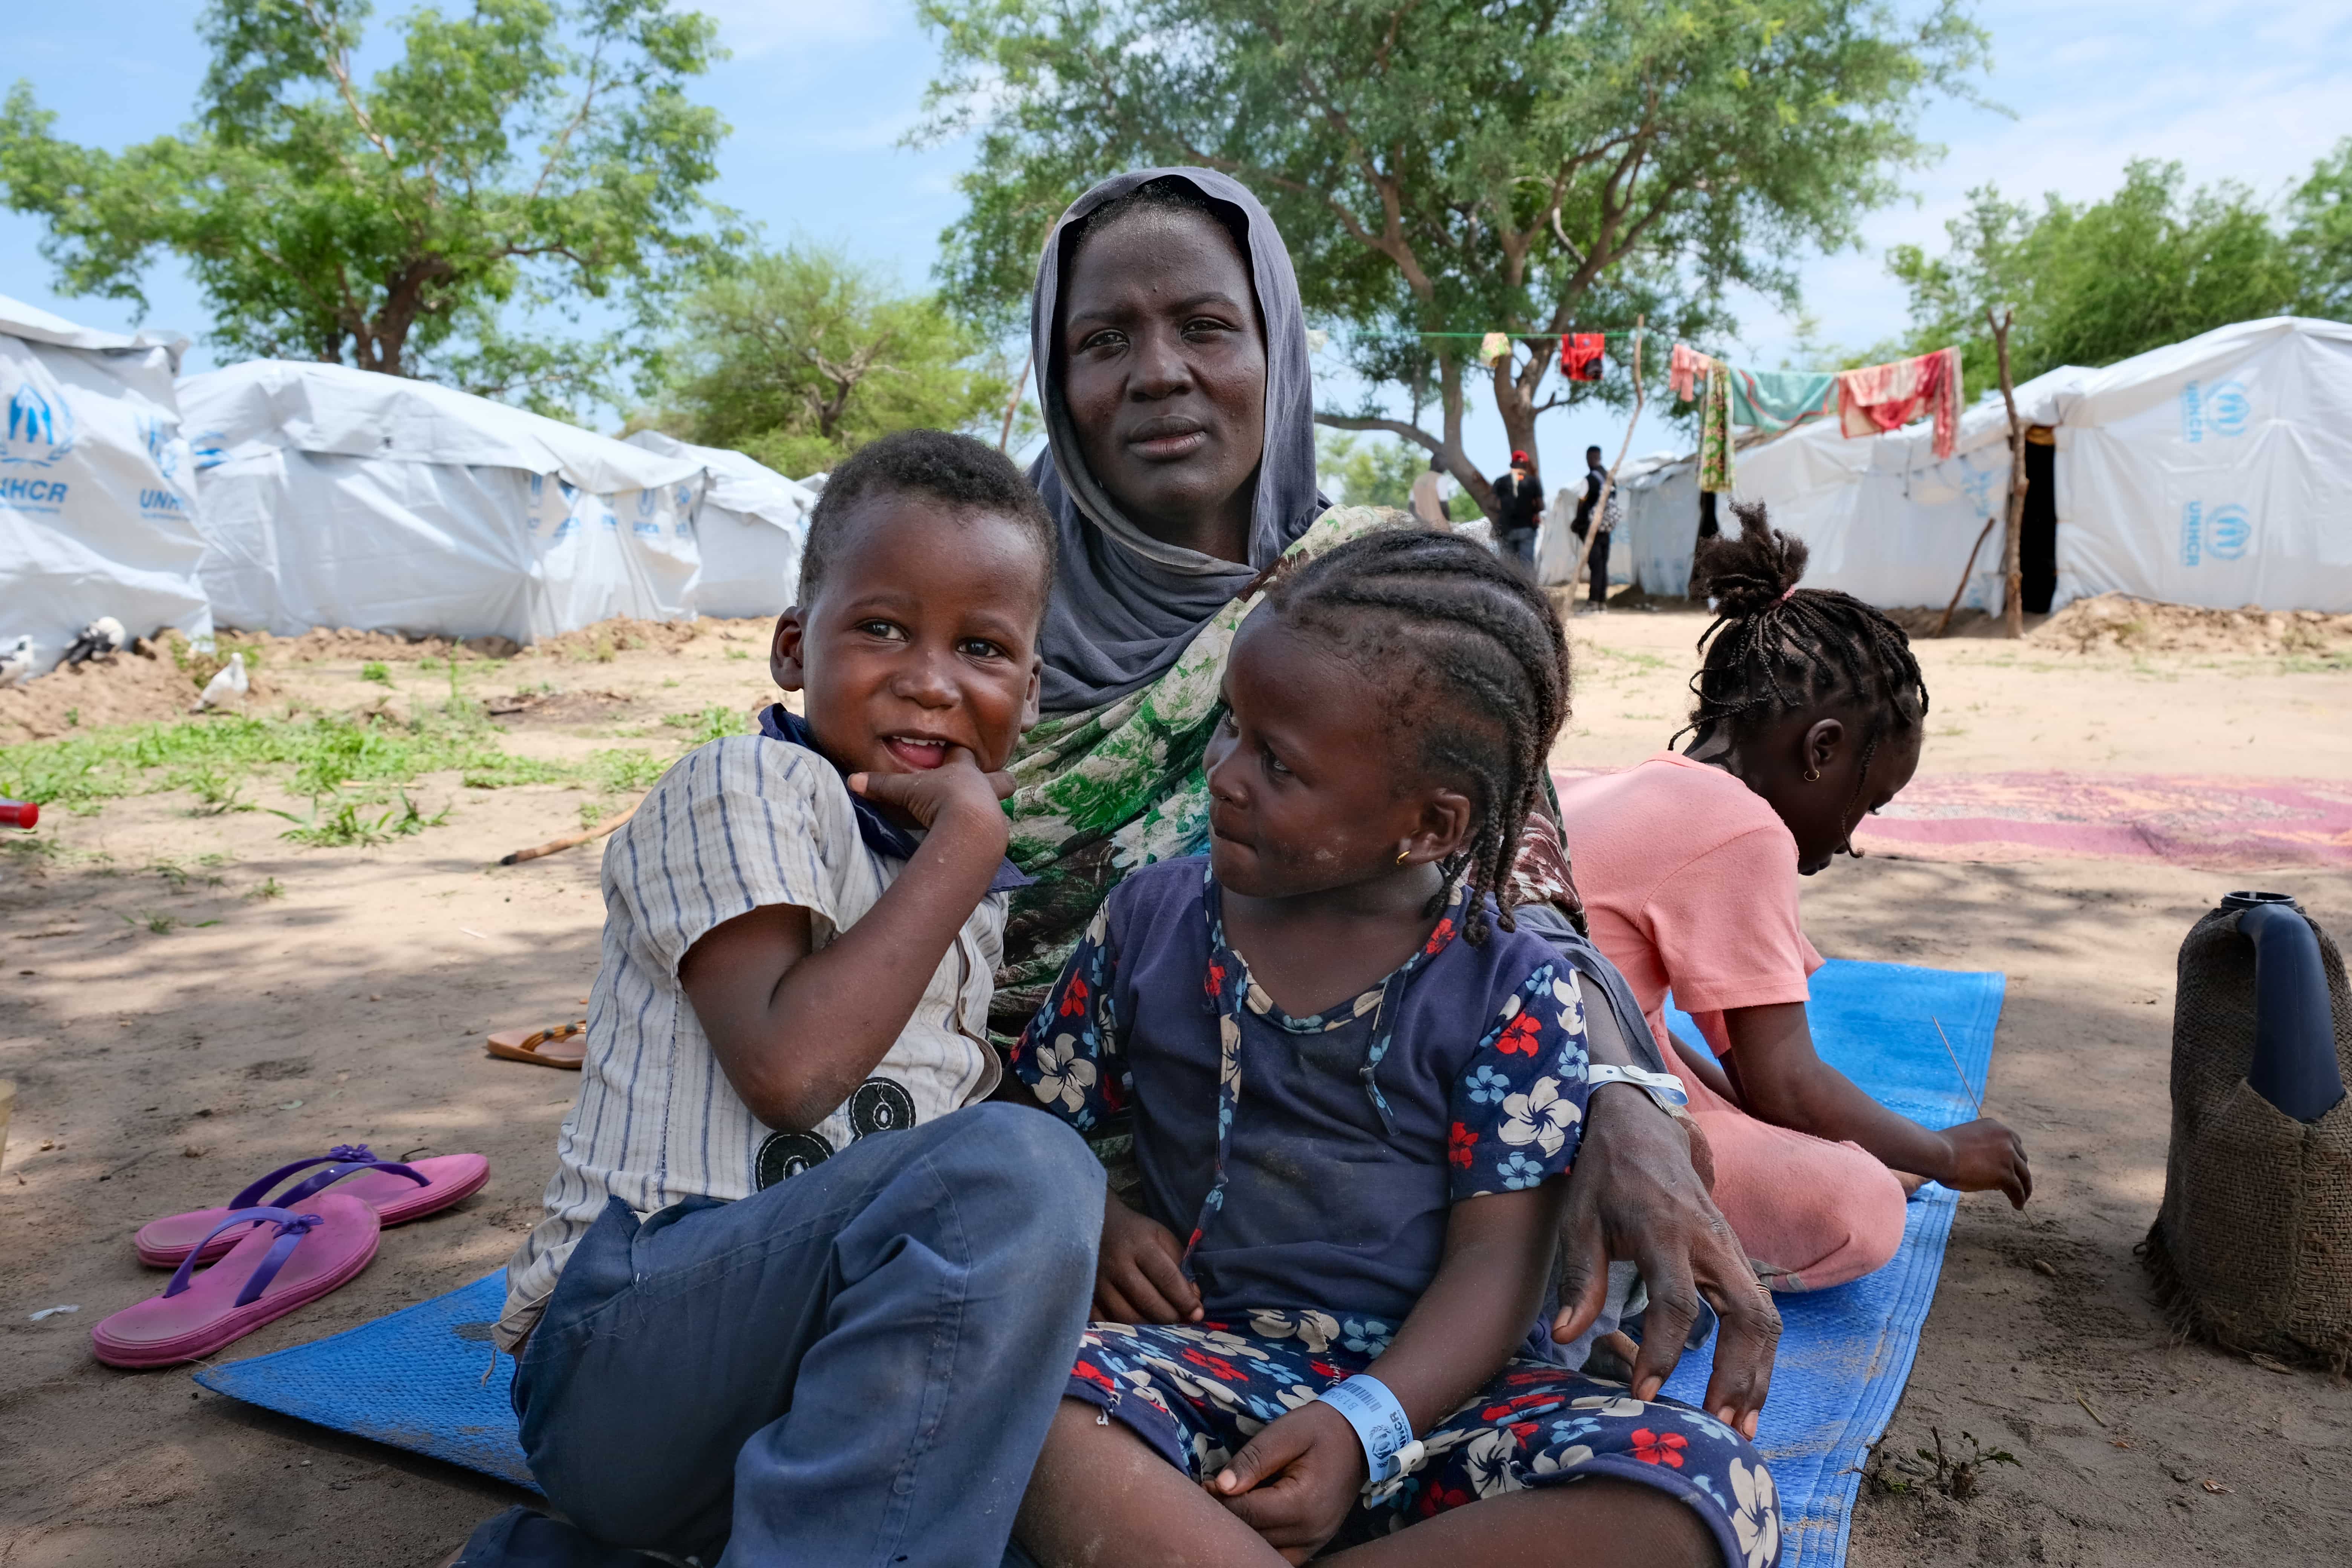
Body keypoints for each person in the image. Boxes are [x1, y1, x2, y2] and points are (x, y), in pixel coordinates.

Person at [1001, 166, 1781, 1438]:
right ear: (1056, 375)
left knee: (1703, 1213)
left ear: (1278, 348)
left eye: (1205, 326)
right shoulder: (971, 612)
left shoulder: (1379, 599)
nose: (1155, 372)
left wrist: (1627, 1101)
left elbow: (1517, 898)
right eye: (1103, 340)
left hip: (1409, 1171)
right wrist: (1054, 1194)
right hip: (1065, 1157)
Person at [1009, 529, 1778, 1568]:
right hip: (1197, 1375)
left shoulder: (1510, 987)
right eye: (1231, 730)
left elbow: (1497, 1266)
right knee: (1020, 1398)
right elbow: (1024, 1130)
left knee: (1703, 1488)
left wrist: (1361, 1430)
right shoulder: (1146, 925)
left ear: (1429, 826)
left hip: (1440, 1408)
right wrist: (1094, 1212)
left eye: (1277, 764)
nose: (1224, 778)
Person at [453, 431, 1105, 1568]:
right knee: (1028, 1166)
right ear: (795, 647)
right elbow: (792, 1069)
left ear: (1031, 691)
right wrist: (968, 843)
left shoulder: (944, 871)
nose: (931, 677)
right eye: (884, 627)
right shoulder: (743, 783)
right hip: (628, 1359)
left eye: (984, 647)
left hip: (799, 1406)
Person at [1558, 504, 2032, 1295]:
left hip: (1501, 1077)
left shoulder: (1635, 785)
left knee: (1680, 1063)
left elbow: (1741, 1068)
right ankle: (1615, 1251)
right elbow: (1785, 1082)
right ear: (1822, 750)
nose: (1852, 838)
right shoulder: (1741, 828)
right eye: (1865, 803)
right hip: (1562, 1123)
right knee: (1860, 1206)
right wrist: (1940, 1156)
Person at [1570, 444, 1619, 612]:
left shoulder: (1589, 479)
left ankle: (1593, 603)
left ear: (1590, 458)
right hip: (1607, 528)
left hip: (1592, 528)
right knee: (1603, 564)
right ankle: (1601, 603)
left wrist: (1577, 522)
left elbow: (1582, 501)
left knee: (1595, 565)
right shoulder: (1611, 478)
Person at [1489, 449, 1544, 576]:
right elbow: (1541, 506)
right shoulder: (1533, 482)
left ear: (1511, 464)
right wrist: (1532, 510)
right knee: (1526, 567)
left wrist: (1503, 510)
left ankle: (1509, 594)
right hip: (1527, 528)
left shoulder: (1501, 481)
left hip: (1506, 529)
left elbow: (1491, 504)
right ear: (1525, 465)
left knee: (1508, 567)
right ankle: (1528, 594)